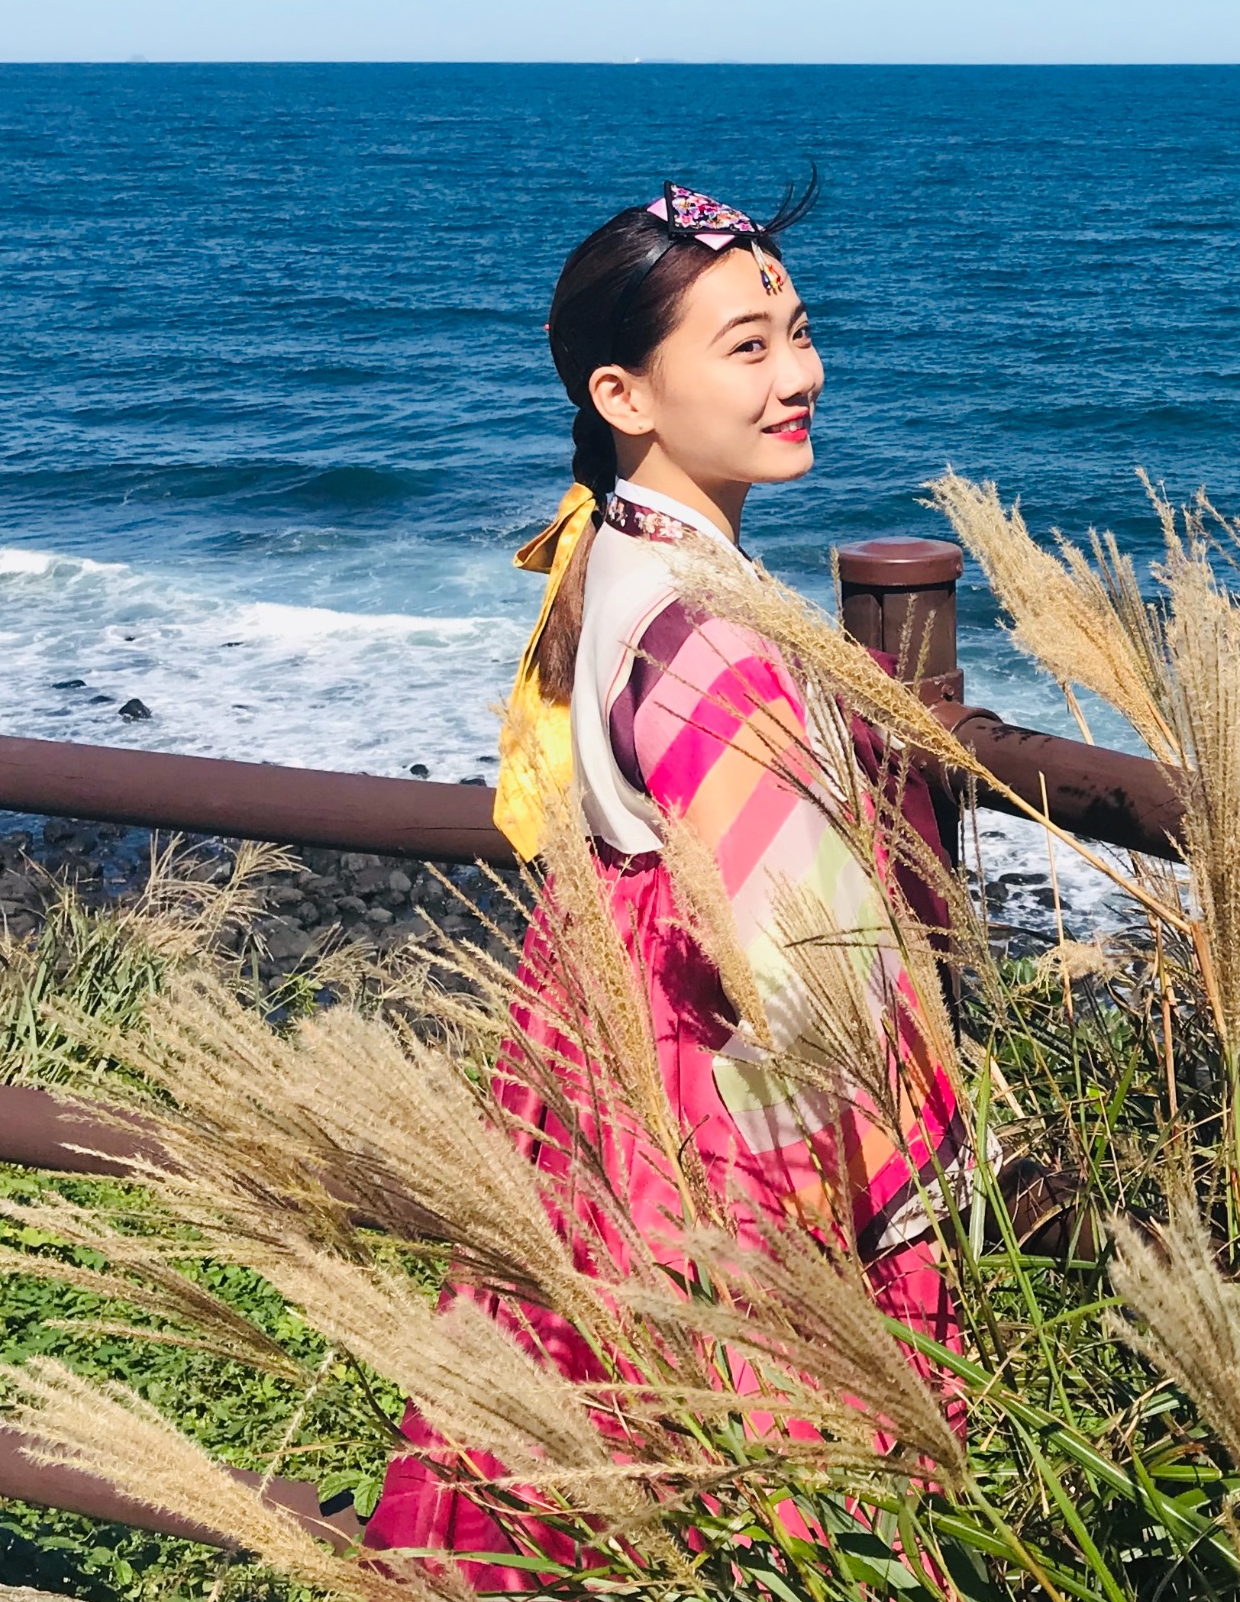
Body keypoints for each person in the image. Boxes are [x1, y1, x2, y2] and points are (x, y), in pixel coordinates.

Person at [365, 181, 967, 1583]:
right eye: (747, 346)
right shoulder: (706, 630)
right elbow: (806, 964)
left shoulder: (614, 553)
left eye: (797, 332)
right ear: (624, 394)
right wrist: (915, 1160)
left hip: (612, 1044)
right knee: (770, 1446)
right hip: (716, 1074)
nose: (800, 374)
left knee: (591, 1411)